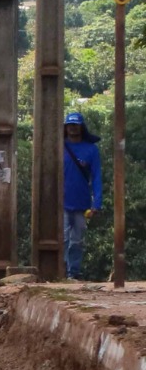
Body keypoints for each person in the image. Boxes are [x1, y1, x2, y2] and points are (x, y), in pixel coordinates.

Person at [65, 111, 105, 280]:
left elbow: (96, 177)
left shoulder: (91, 150)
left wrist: (97, 202)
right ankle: (60, 272)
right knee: (62, 238)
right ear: (65, 128)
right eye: (70, 125)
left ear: (82, 128)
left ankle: (72, 273)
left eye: (76, 125)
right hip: (61, 203)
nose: (73, 129)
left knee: (77, 241)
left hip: (82, 203)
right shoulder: (59, 146)